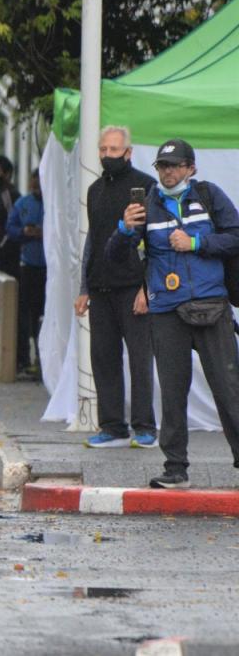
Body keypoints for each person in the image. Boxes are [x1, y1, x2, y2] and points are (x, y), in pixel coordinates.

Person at [109, 138, 239, 488]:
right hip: (166, 310)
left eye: (176, 165)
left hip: (213, 306)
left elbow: (236, 237)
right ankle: (175, 468)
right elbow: (114, 256)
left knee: (230, 389)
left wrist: (196, 243)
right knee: (172, 392)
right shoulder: (145, 206)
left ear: (191, 168)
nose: (169, 172)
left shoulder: (209, 196)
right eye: (163, 166)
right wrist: (124, 229)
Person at [75, 126, 157, 449]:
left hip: (133, 287)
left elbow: (155, 242)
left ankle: (144, 426)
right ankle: (112, 426)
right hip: (100, 287)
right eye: (103, 149)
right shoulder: (95, 190)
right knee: (103, 357)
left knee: (139, 358)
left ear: (128, 152)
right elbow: (92, 242)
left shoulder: (146, 187)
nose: (108, 155)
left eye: (114, 149)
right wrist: (84, 287)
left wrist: (147, 288)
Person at [6, 169, 46, 377]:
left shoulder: (54, 203)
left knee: (45, 315)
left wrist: (45, 232)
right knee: (28, 315)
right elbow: (10, 228)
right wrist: (25, 232)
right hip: (29, 267)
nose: (36, 188)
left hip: (50, 270)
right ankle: (28, 358)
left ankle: (44, 360)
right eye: (34, 184)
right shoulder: (23, 204)